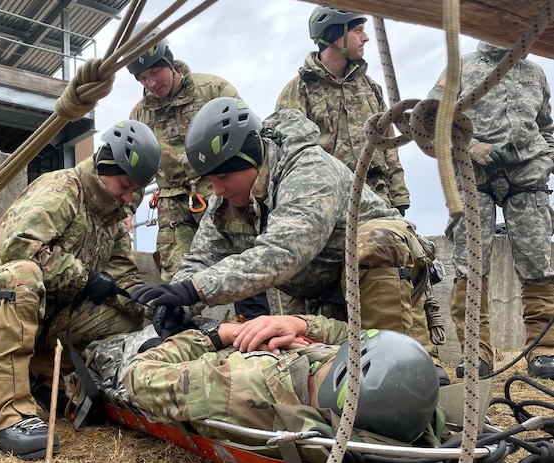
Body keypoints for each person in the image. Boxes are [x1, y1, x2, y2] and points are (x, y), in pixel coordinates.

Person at [130, 97, 450, 386]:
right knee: (304, 371)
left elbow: (282, 253)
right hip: (319, 296)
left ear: (252, 160)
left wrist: (195, 289)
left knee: (392, 376)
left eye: (223, 178)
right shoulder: (232, 198)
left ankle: (411, 359)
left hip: (383, 280)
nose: (216, 191)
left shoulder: (308, 172)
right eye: (210, 180)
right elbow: (203, 256)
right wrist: (175, 299)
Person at [0, 120, 160, 461]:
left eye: (134, 190)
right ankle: (4, 418)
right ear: (104, 166)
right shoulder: (61, 187)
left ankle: (53, 384)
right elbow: (18, 248)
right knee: (22, 275)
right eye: (123, 186)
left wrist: (151, 304)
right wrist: (85, 279)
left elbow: (122, 275)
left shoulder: (111, 213)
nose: (127, 197)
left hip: (46, 310)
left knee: (122, 316)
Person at [87, 313, 440, 450]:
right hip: (249, 351)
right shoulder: (380, 402)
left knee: (115, 344)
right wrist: (300, 325)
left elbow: (138, 377)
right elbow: (347, 334)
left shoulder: (234, 384)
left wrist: (218, 333)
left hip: (139, 356)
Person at [428, 42, 554, 380]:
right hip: (475, 179)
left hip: (527, 176)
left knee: (538, 261)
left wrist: (546, 160)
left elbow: (546, 126)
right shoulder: (461, 69)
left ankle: (543, 350)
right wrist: (471, 147)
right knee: (470, 266)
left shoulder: (534, 73)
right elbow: (432, 118)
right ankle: (476, 354)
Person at [127, 24, 270, 320]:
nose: (151, 83)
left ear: (169, 61)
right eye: (142, 78)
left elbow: (250, 138)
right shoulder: (139, 114)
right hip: (171, 203)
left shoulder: (213, 89)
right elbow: (137, 169)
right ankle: (187, 337)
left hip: (217, 189)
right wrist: (127, 209)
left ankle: (254, 325)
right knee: (177, 275)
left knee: (240, 252)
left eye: (155, 72)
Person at [275, 6, 410, 214]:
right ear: (334, 35)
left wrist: (399, 198)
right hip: (328, 205)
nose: (365, 38)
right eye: (357, 30)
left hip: (378, 199)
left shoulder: (370, 88)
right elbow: (287, 156)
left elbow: (388, 145)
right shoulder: (298, 91)